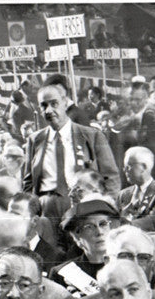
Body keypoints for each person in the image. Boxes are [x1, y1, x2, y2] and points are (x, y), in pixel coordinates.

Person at [25, 75, 120, 221]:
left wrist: (105, 209)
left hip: (85, 210)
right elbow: (28, 183)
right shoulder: (35, 140)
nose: (49, 110)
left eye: (54, 103)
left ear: (65, 102)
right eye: (44, 105)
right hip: (47, 212)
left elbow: (111, 177)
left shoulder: (92, 136)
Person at [50, 197, 122, 297]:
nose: (99, 232)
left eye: (103, 224)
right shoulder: (62, 273)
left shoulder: (125, 266)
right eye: (89, 227)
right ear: (77, 237)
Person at [116, 146, 155, 221]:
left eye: (128, 166)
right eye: (124, 167)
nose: (125, 170)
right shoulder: (122, 195)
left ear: (144, 167)